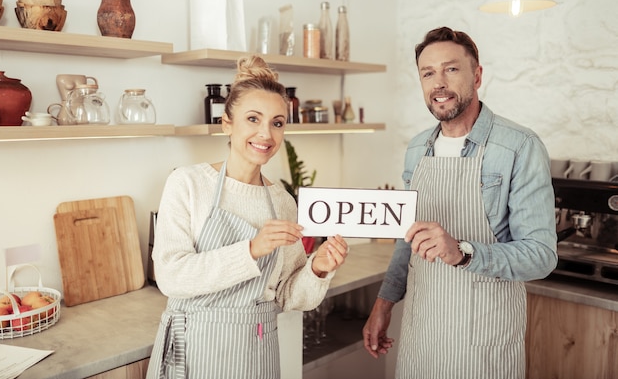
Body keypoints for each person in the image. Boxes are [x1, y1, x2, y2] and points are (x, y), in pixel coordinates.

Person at [362, 27, 558, 379]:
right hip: (423, 331)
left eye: (451, 69)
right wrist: (383, 304)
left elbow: (541, 256)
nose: (439, 82)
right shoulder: (417, 148)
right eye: (428, 73)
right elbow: (407, 239)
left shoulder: (519, 147)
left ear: (477, 75)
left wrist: (462, 251)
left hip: (483, 339)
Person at [146, 55, 349, 379]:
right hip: (195, 348)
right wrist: (251, 249)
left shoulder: (281, 202)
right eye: (253, 119)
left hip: (257, 352)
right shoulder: (188, 183)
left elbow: (287, 294)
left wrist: (318, 268)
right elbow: (170, 276)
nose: (265, 134)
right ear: (227, 122)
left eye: (277, 122)